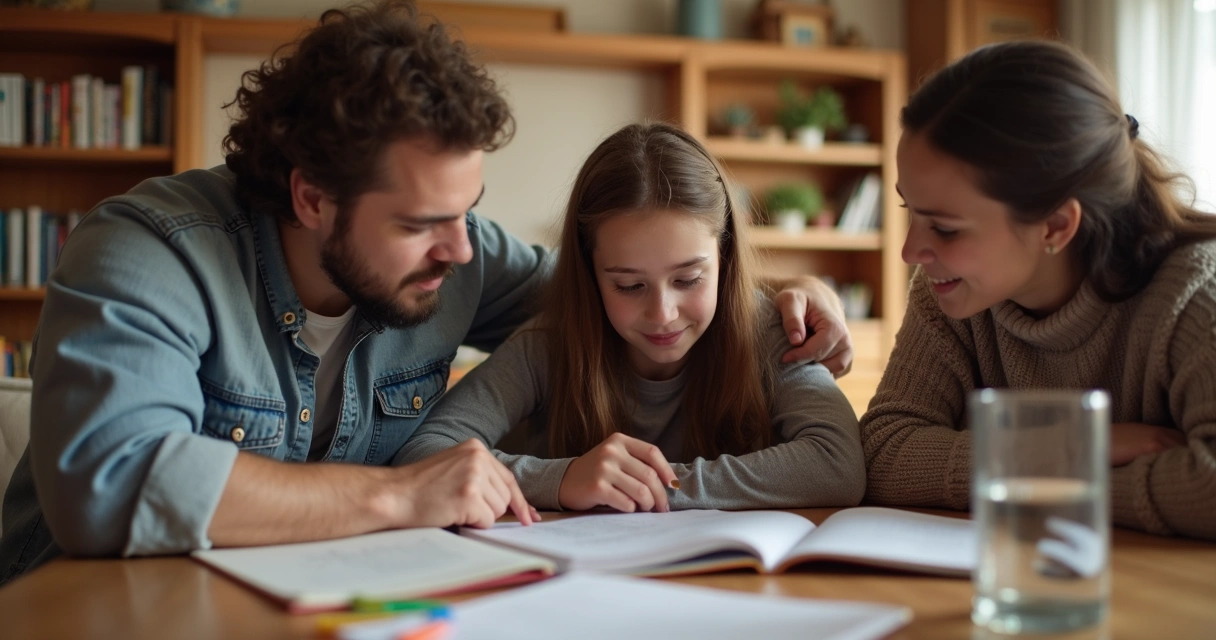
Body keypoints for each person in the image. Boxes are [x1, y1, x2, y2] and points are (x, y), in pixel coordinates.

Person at [0, 1, 853, 583]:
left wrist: (779, 294)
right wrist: (400, 493)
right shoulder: (148, 252)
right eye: (420, 223)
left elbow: (619, 291)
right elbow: (108, 484)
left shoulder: (458, 258)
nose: (462, 249)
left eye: (466, 211)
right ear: (312, 197)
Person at [396, 122, 866, 513]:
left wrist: (653, 487)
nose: (663, 314)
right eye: (629, 285)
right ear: (590, 272)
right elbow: (426, 451)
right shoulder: (548, 344)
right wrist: (562, 478)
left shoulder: (772, 330)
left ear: (725, 258)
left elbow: (838, 464)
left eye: (688, 279)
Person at [861, 39, 1216, 540]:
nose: (909, 251)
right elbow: (885, 453)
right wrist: (1071, 446)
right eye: (908, 210)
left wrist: (1009, 471)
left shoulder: (1195, 294)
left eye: (945, 228)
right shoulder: (952, 292)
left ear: (1055, 226)